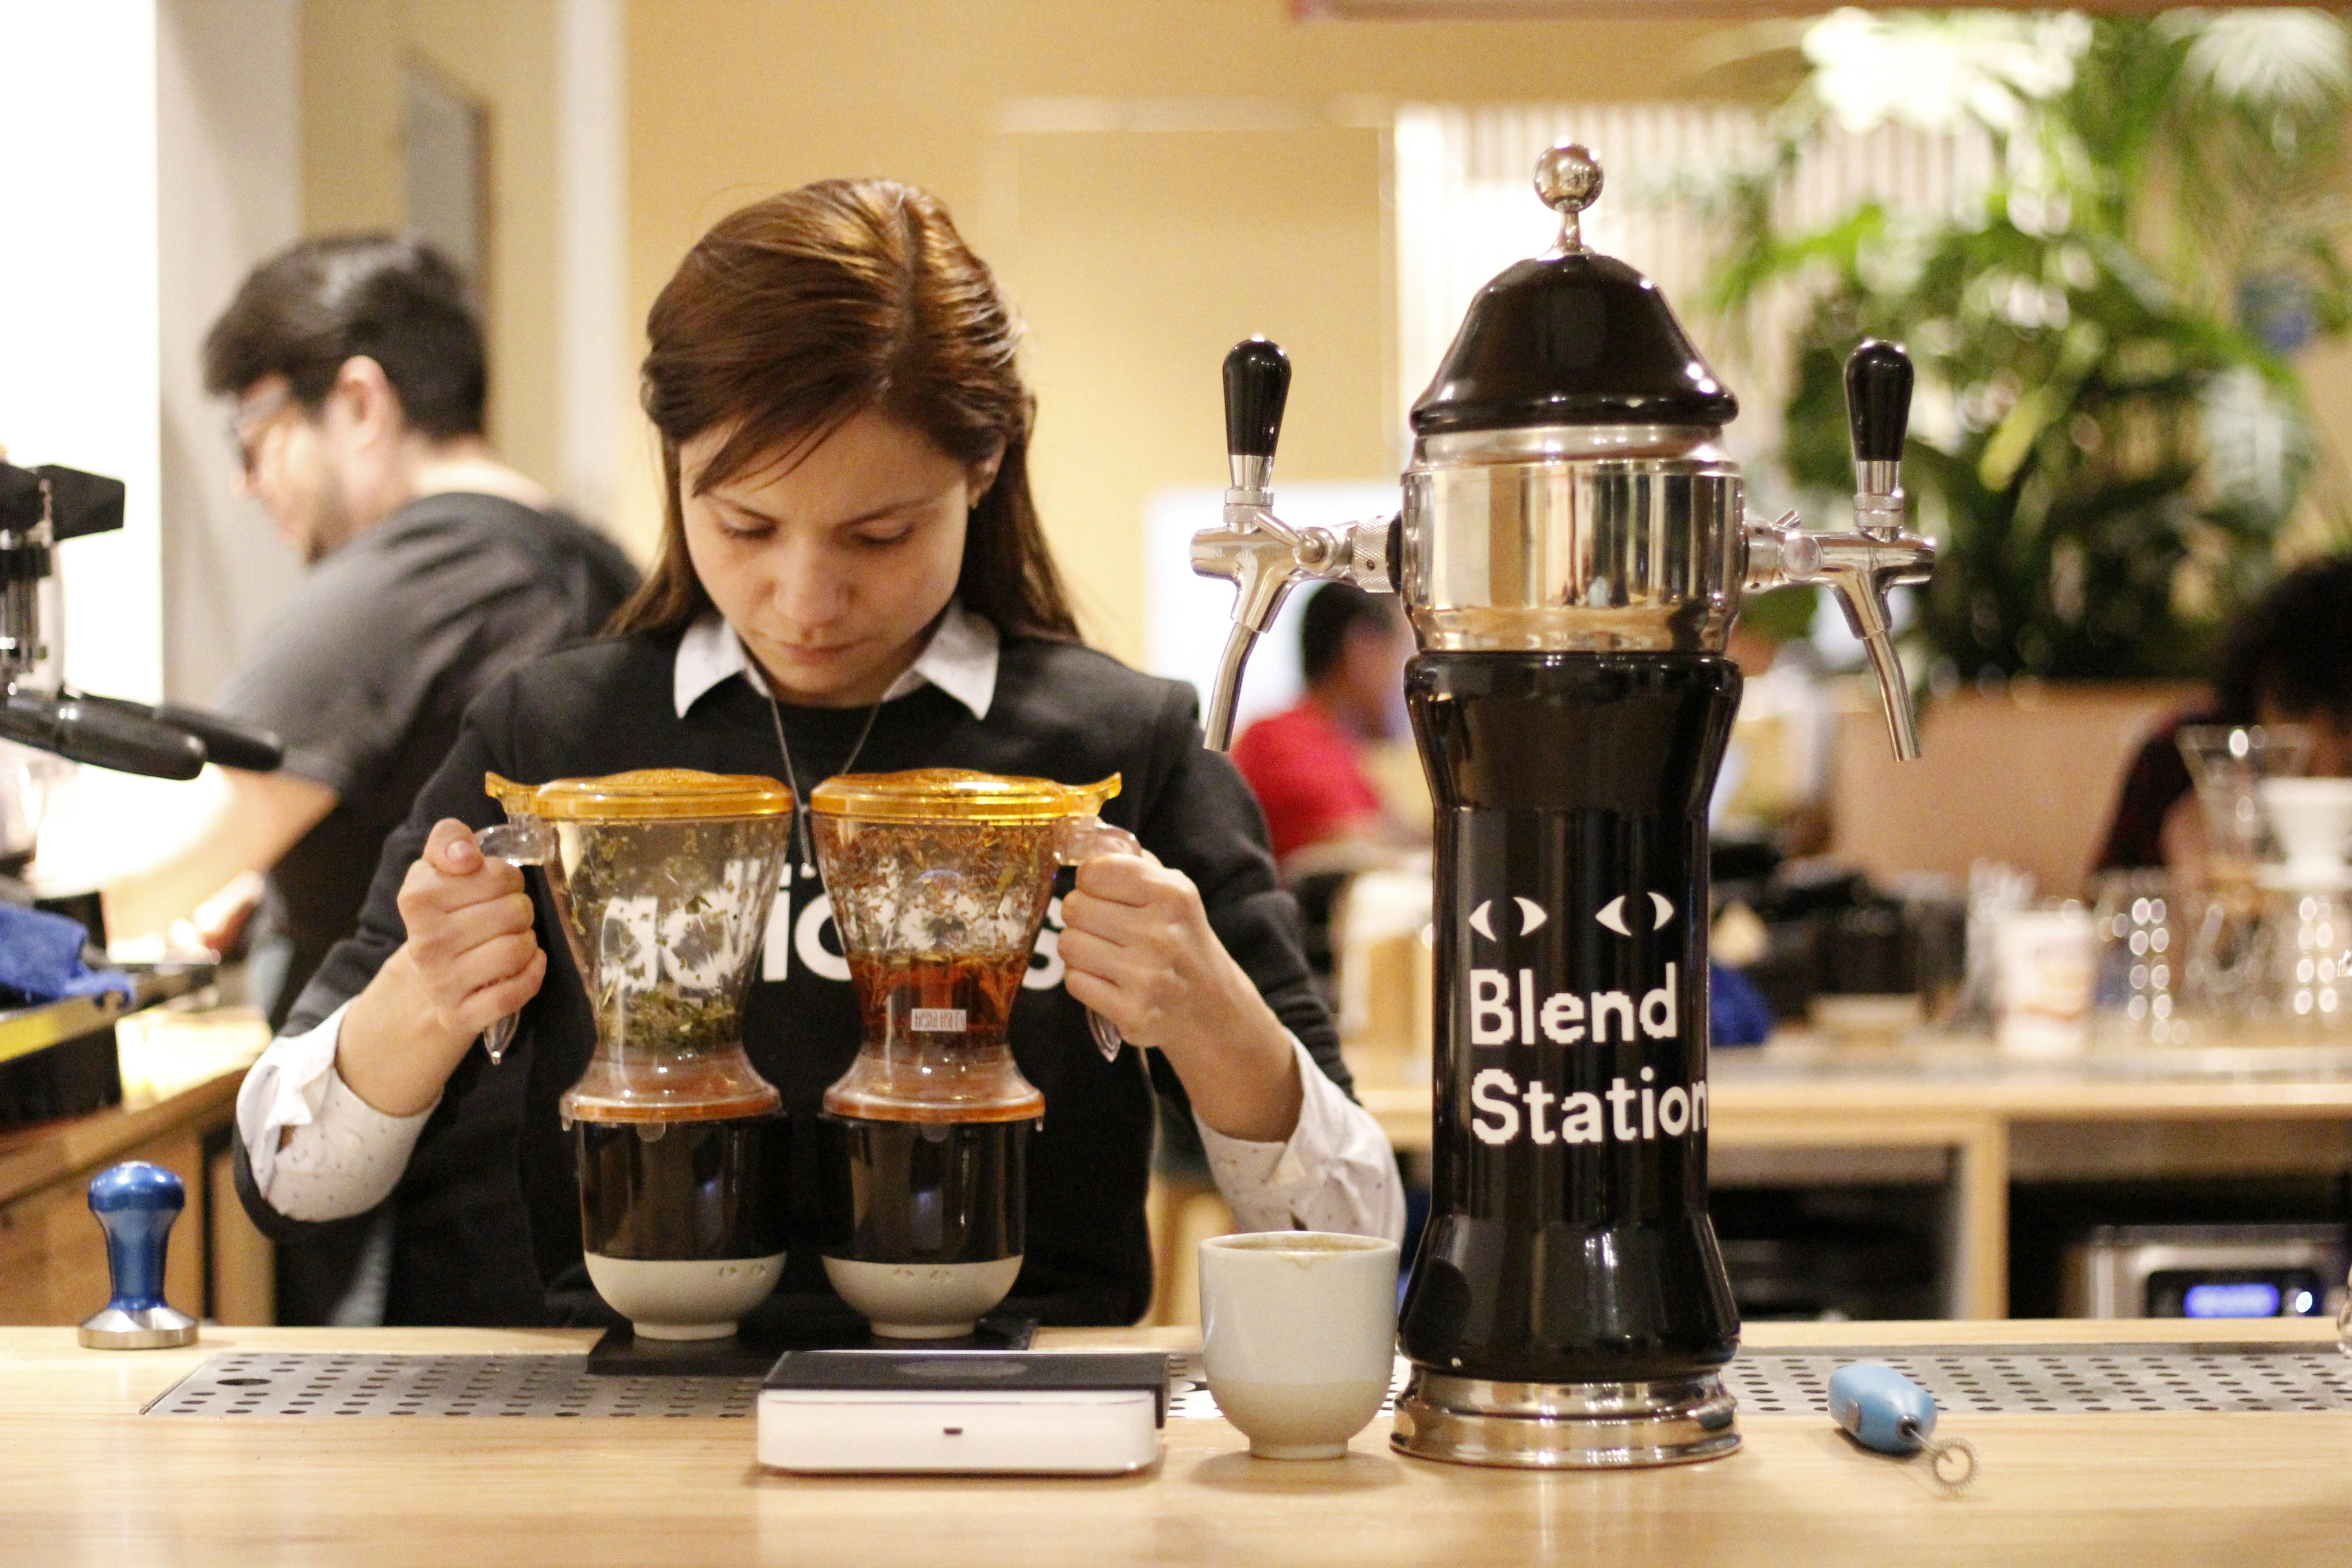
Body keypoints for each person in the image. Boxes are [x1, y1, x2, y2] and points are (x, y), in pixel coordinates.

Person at [228, 180, 1404, 1331]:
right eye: (744, 525)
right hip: (629, 1447)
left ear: (982, 467)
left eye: (879, 534)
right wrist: (419, 1003)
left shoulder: (1115, 750)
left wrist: (1209, 1012)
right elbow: (288, 1180)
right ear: (676, 465)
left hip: (1027, 1440)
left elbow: (1353, 1233)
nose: (805, 599)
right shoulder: (554, 744)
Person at [103, 235, 639, 1040]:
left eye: (255, 432)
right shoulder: (595, 565)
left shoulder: (399, 587)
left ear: (360, 402)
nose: (245, 480)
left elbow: (151, 879)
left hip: (413, 1125)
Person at [2095, 556, 2352, 876]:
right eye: (2295, 704)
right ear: (2259, 691)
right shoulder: (2179, 760)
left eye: (2343, 725)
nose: (2319, 750)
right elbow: (2110, 899)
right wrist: (2181, 884)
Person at [1230, 582, 1419, 873]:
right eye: (1405, 655)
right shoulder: (1283, 742)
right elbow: (1356, 847)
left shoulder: (1333, 746)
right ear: (1363, 649)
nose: (1414, 684)